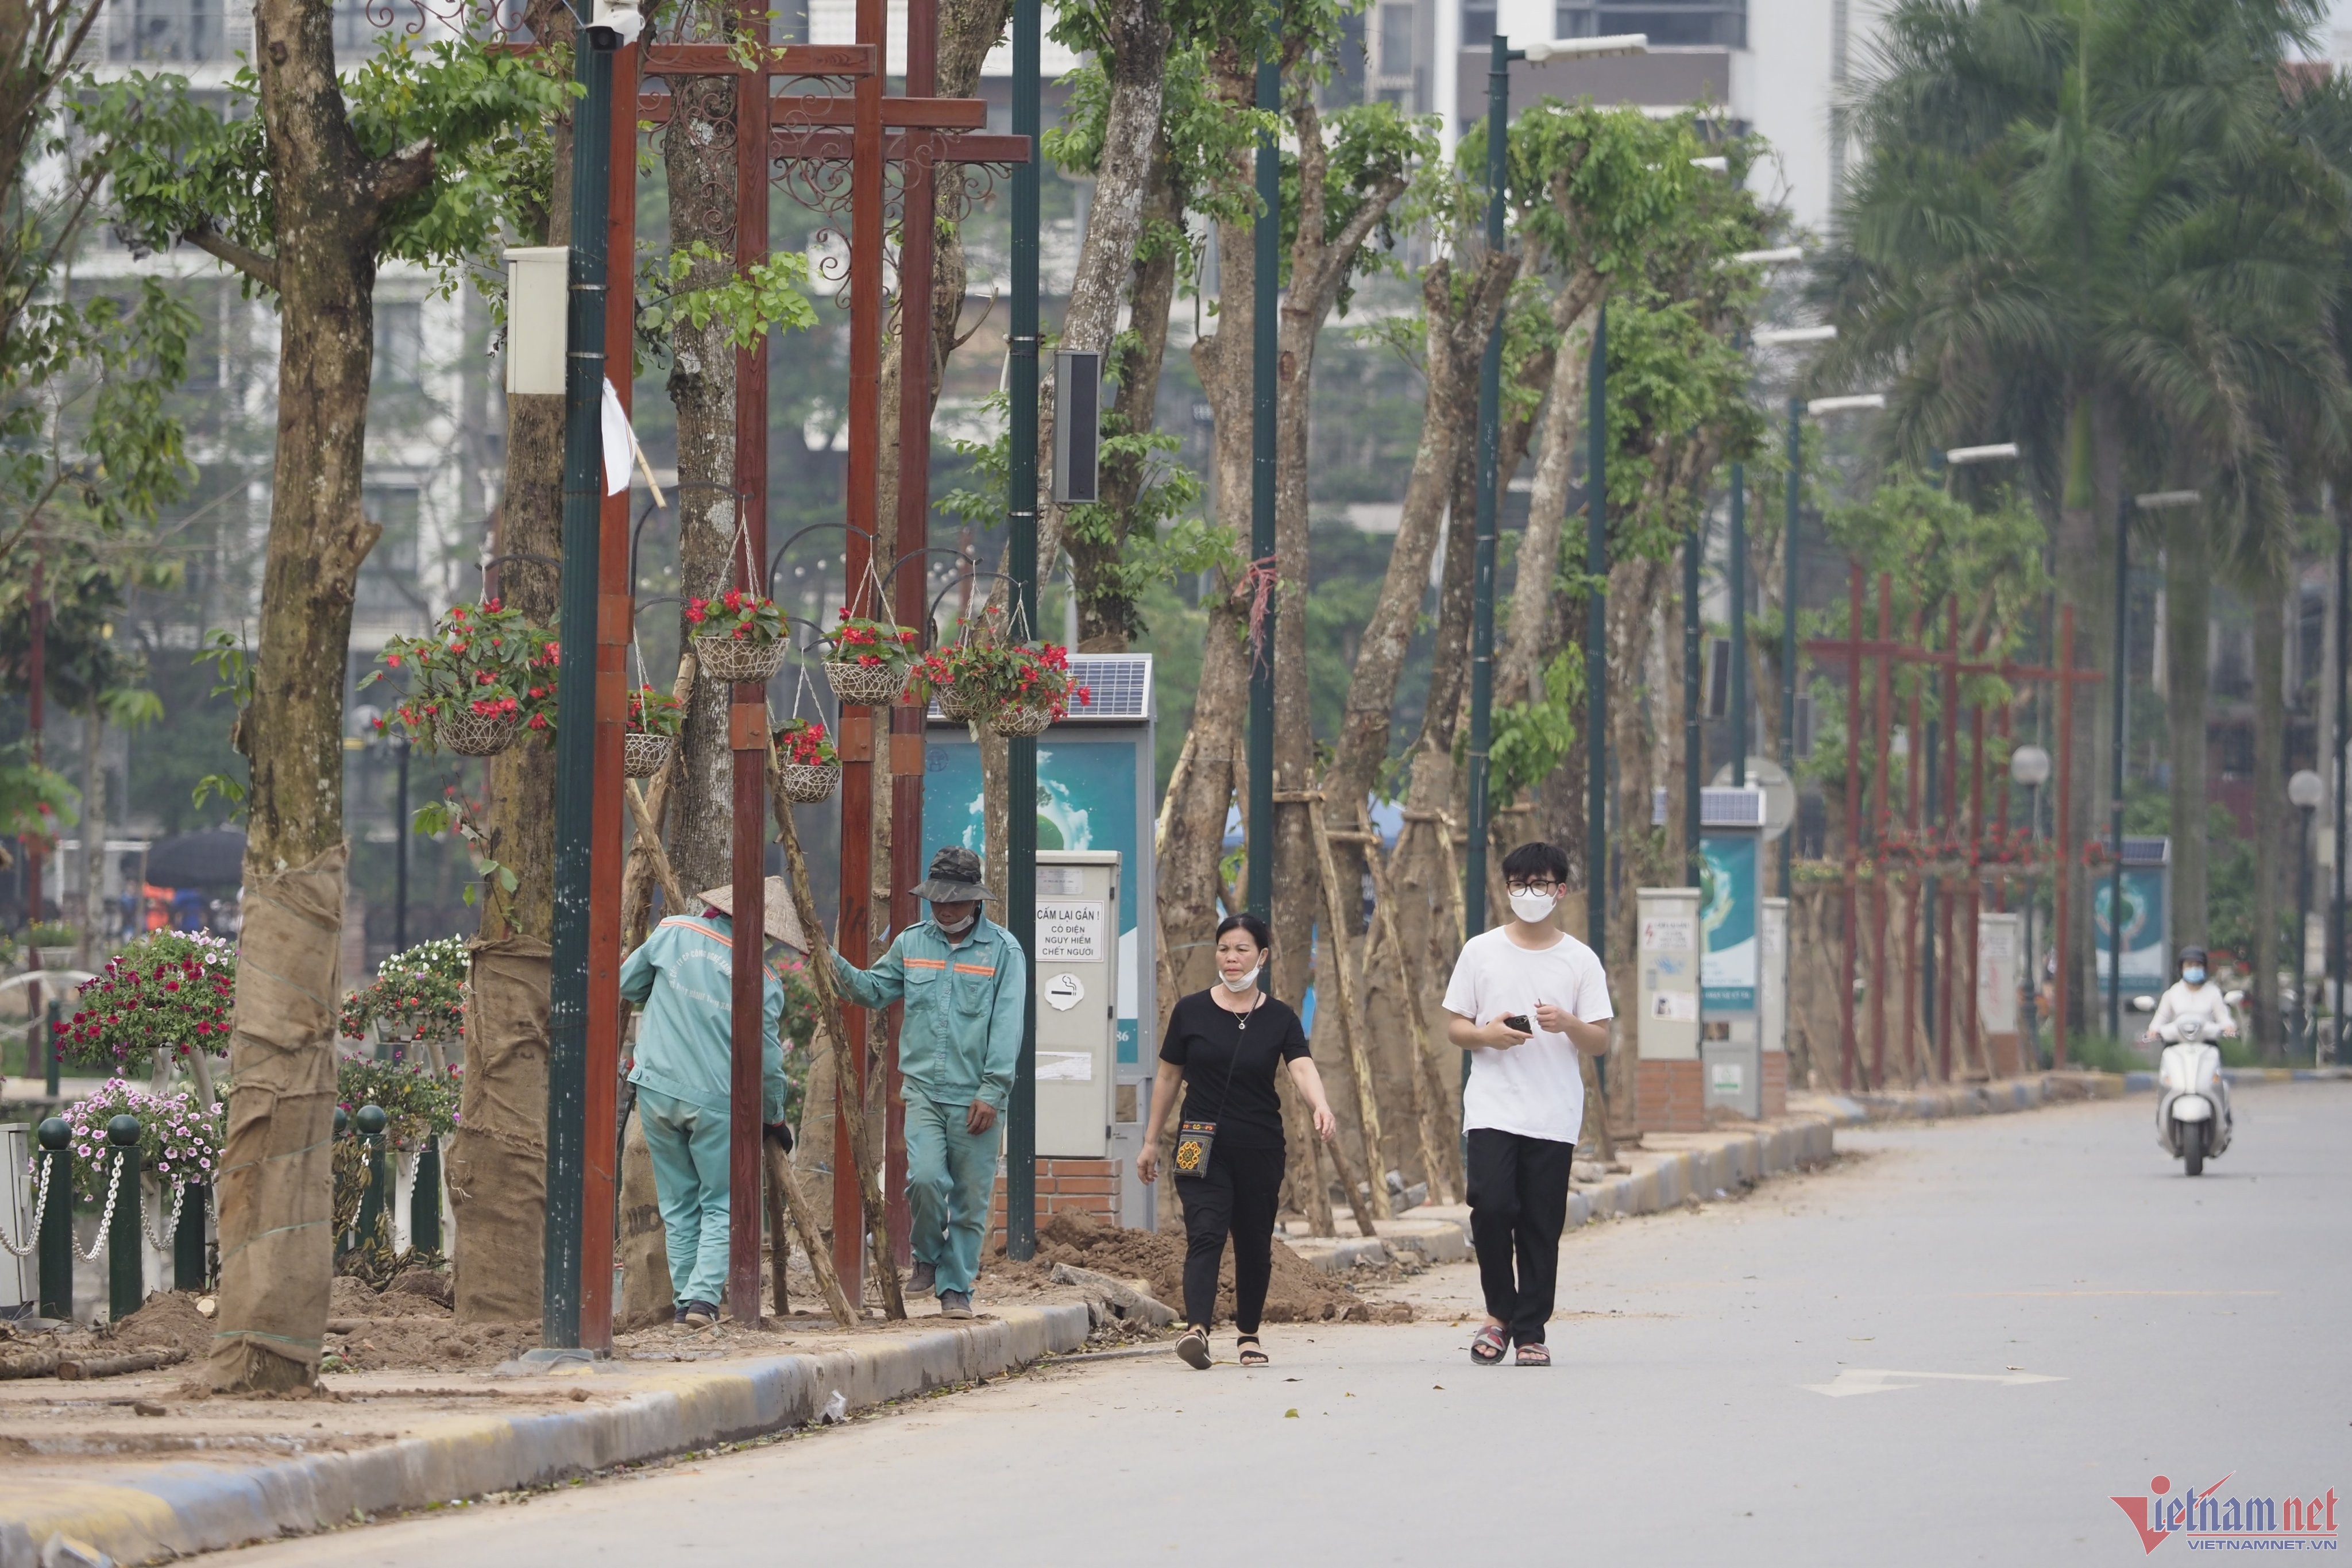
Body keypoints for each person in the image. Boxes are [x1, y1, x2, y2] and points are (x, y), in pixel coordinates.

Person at [831, 845, 1025, 1319]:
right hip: (921, 1089)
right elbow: (872, 990)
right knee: (924, 1179)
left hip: (975, 1095)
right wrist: (827, 958)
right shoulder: (911, 942)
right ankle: (926, 1256)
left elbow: (1007, 1026)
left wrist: (992, 1092)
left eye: (955, 901)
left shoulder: (1004, 951)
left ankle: (955, 1289)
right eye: (937, 900)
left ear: (976, 901)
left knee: (969, 1198)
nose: (944, 909)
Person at [1138, 913, 1338, 1370]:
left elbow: (1301, 1066)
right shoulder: (1190, 1011)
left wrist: (1319, 1104)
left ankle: (1248, 1334)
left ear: (1262, 957)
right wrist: (1150, 1141)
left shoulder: (1280, 1018)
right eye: (1224, 948)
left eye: (1242, 949)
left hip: (1260, 1145)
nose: (1231, 958)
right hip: (1196, 1140)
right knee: (1204, 1233)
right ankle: (1197, 1330)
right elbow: (1169, 1076)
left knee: (1253, 1241)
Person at [1440, 840, 1613, 1366]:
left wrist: (1569, 1024)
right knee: (1490, 1207)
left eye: (1539, 884)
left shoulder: (1579, 959)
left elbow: (1600, 1040)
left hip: (1553, 1113)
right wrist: (1487, 1035)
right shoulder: (1480, 950)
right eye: (1519, 884)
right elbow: (1455, 1026)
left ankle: (1529, 1331)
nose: (1528, 894)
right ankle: (1499, 1313)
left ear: (1560, 891)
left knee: (1540, 1222)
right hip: (1493, 1105)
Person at [619, 875, 802, 1328]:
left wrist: (666, 998)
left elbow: (627, 983)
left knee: (678, 1203)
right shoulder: (764, 979)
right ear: (763, 931)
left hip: (657, 1090)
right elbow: (768, 1064)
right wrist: (774, 1117)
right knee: (722, 1202)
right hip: (719, 1102)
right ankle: (702, 1301)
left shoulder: (674, 931)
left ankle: (685, 1302)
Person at [2139, 944, 2239, 1047]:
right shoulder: (2173, 993)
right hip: (2177, 1046)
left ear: (2204, 968)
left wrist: (2229, 1027)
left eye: (2198, 965)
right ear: (2182, 969)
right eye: (2189, 965)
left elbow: (2222, 1016)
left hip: (2206, 1045)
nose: (2194, 968)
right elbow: (2161, 1017)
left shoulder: (2213, 992)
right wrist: (2153, 1031)